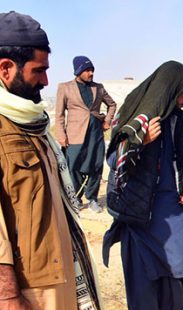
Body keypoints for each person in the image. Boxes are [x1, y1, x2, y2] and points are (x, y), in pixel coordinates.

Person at [0, 11, 134, 310]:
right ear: (6, 69)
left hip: (64, 265)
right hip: (28, 277)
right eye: (37, 70)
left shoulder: (29, 122)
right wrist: (7, 294)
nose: (44, 80)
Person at [102, 61, 183, 310]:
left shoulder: (175, 118)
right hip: (140, 215)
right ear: (170, 89)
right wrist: (142, 142)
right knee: (144, 287)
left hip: (172, 208)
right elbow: (113, 161)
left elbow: (177, 161)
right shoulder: (135, 114)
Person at [55, 55, 117, 213]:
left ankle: (93, 199)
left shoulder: (99, 87)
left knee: (95, 166)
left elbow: (112, 104)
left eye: (92, 70)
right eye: (87, 70)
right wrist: (61, 135)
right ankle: (75, 198)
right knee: (74, 166)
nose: (91, 73)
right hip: (75, 134)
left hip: (96, 134)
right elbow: (59, 114)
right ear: (79, 71)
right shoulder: (65, 87)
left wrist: (107, 121)